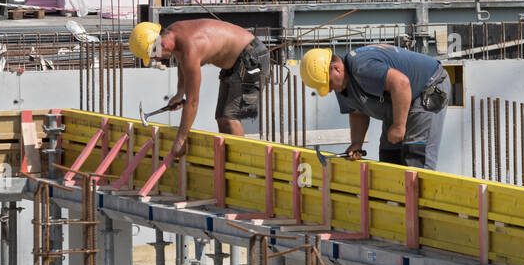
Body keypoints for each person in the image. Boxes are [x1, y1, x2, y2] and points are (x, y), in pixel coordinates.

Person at [128, 19, 269, 156]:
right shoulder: (174, 34)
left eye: (154, 55)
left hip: (251, 57)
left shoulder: (190, 49)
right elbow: (181, 63)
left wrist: (181, 140)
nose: (157, 60)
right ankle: (228, 165)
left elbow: (193, 102)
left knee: (230, 117)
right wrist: (179, 92)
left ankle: (240, 166)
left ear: (161, 44)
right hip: (237, 61)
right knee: (222, 117)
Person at [299, 44, 450, 170]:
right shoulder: (342, 85)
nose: (330, 89)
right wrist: (356, 143)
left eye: (329, 84)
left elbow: (401, 83)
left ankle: (419, 205)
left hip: (426, 86)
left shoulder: (362, 67)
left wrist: (398, 126)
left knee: (416, 154)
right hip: (398, 98)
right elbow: (357, 111)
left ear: (337, 68)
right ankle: (396, 204)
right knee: (389, 155)